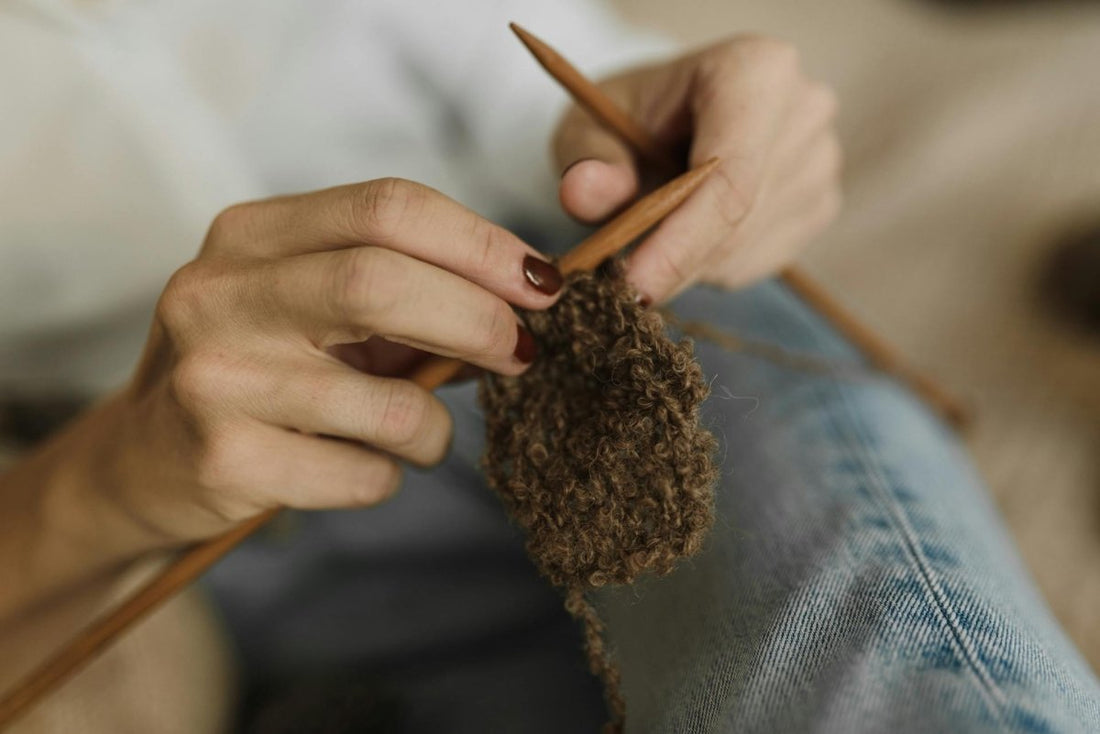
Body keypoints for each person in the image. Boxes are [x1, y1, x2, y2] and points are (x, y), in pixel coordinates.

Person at [1, 1, 1098, 732]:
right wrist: (102, 484)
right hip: (141, 501)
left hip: (566, 317)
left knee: (832, 591)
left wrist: (670, 134)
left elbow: (561, 89)